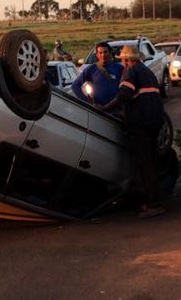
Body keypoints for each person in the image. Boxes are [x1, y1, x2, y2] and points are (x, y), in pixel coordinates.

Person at [96, 44, 166, 218]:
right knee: (152, 160)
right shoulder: (147, 71)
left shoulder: (130, 72)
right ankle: (155, 199)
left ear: (126, 60)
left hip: (141, 122)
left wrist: (104, 108)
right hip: (155, 120)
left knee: (144, 163)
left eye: (123, 60)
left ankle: (154, 204)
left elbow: (123, 95)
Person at [71, 41, 123, 107]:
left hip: (116, 108)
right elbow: (75, 86)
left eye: (105, 52)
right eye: (100, 53)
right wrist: (88, 103)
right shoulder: (91, 68)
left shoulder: (119, 68)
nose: (103, 55)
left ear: (110, 53)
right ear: (97, 55)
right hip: (97, 109)